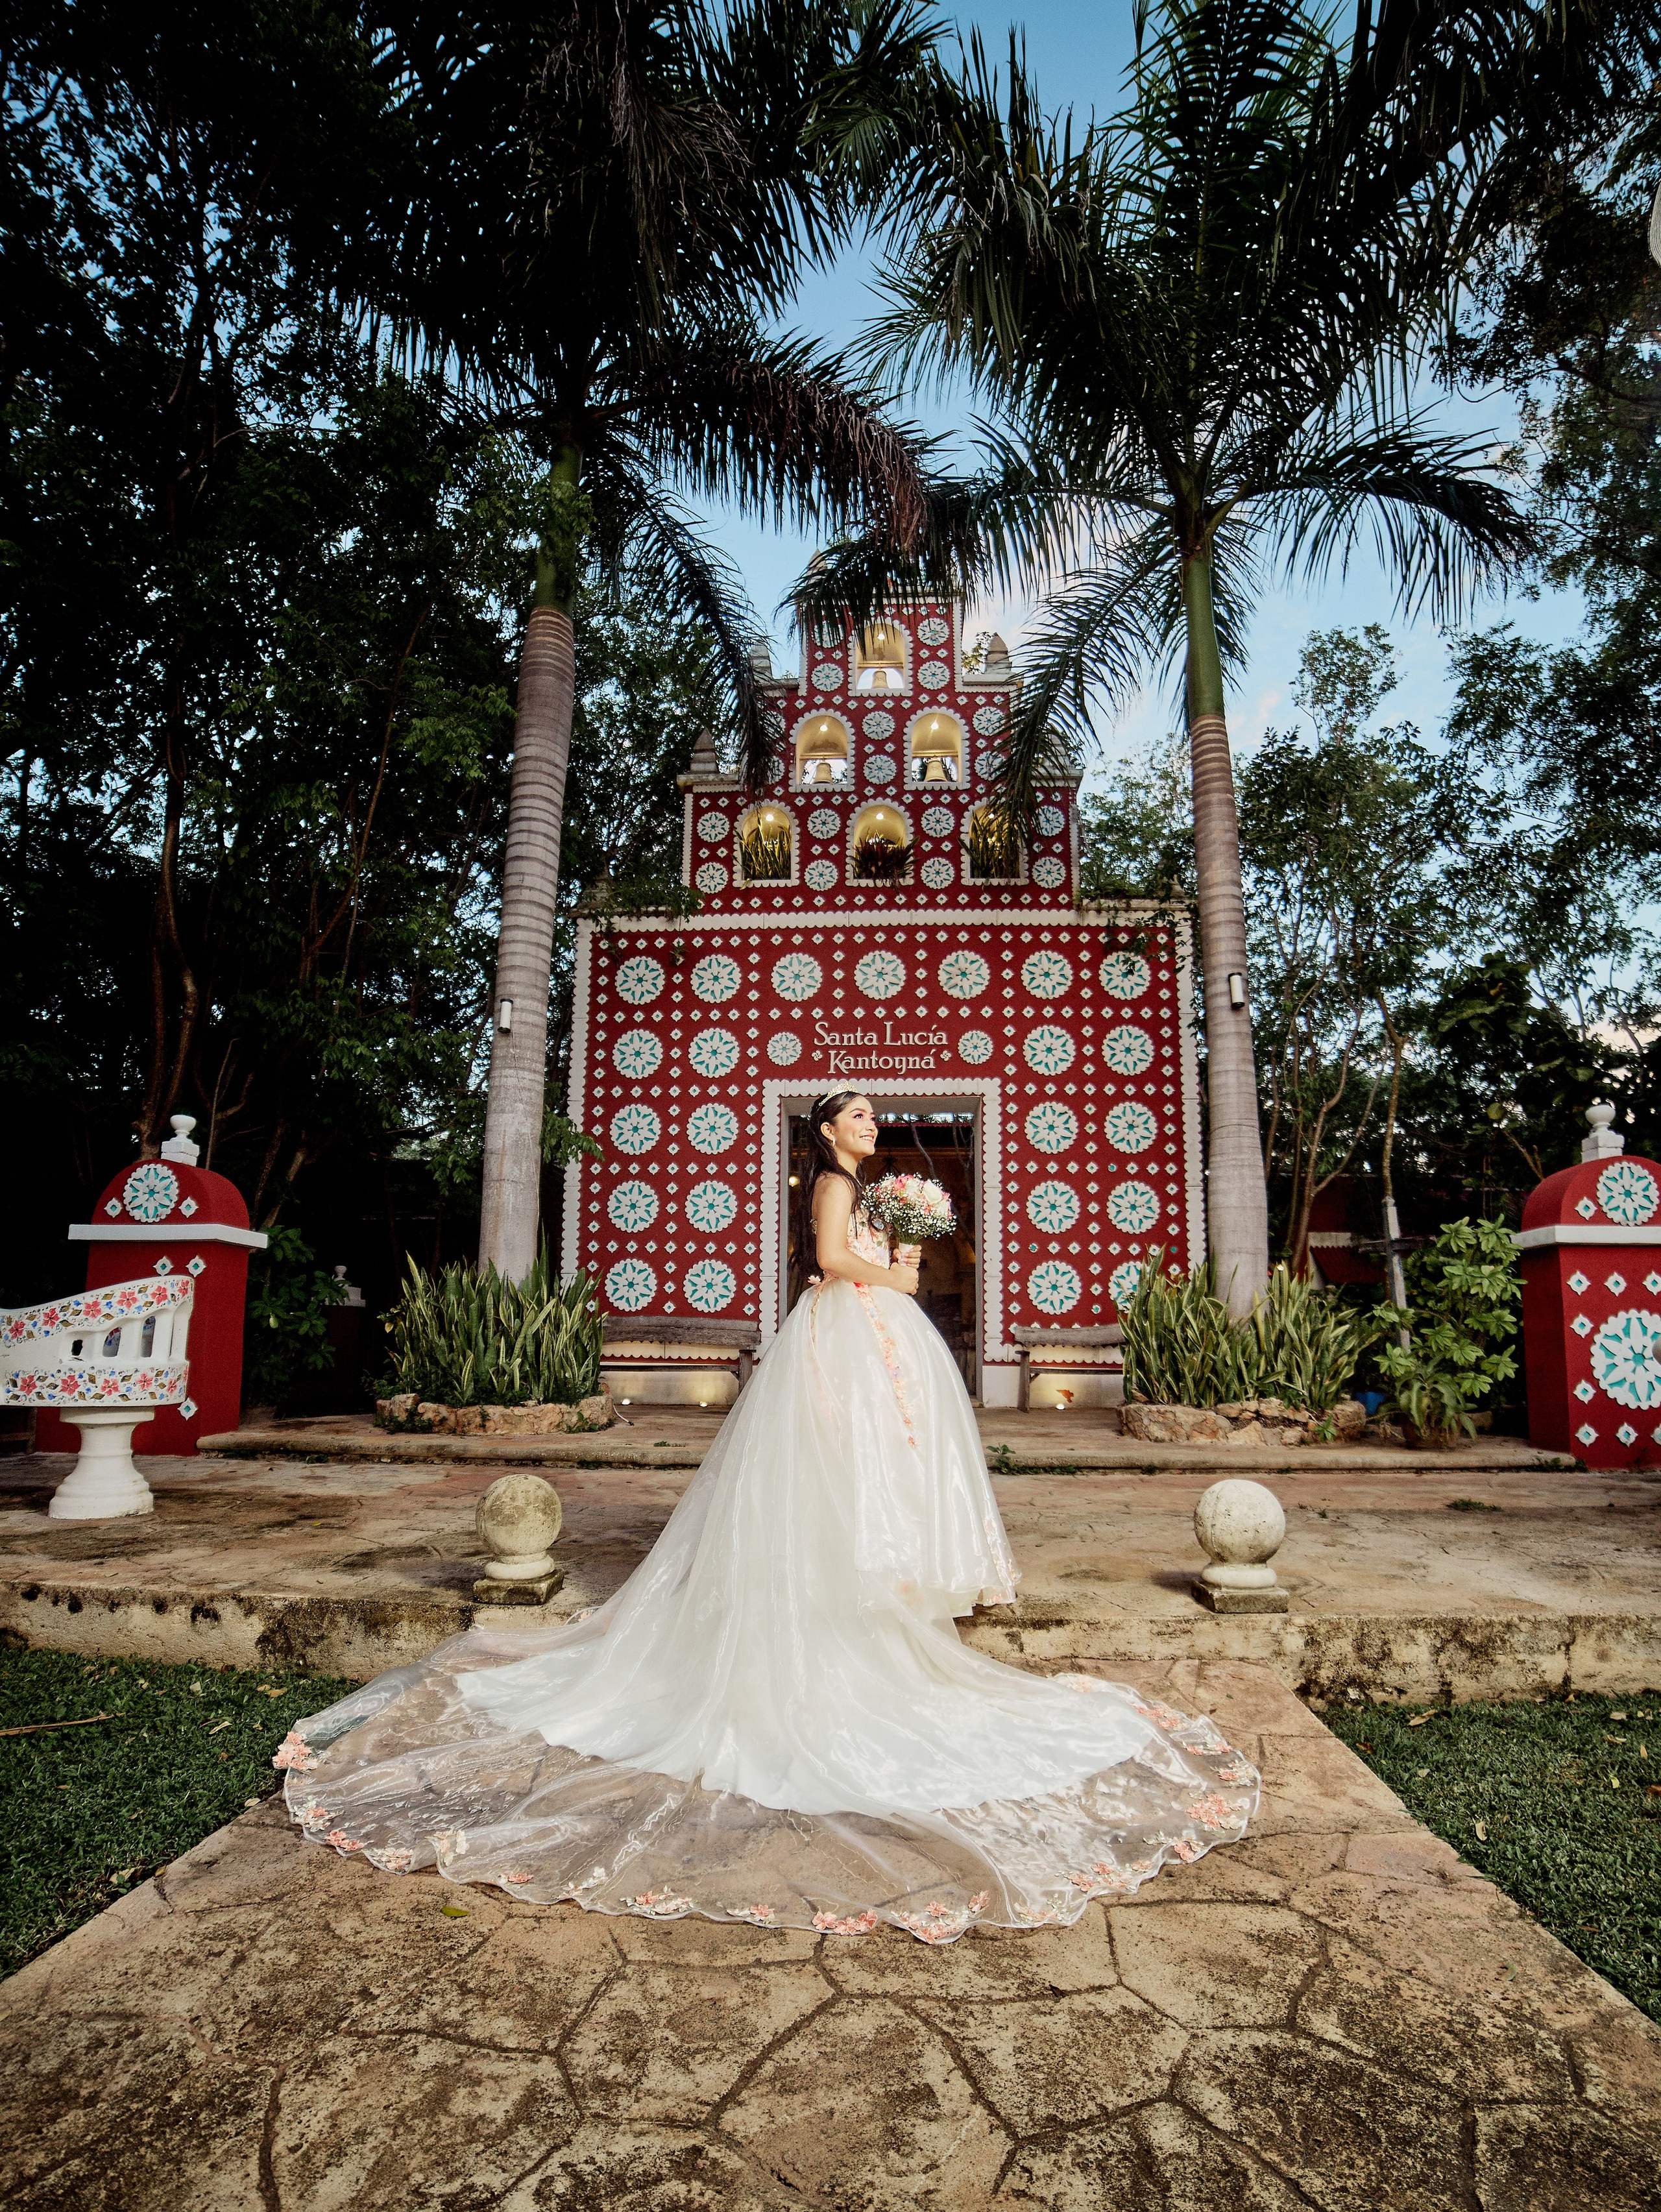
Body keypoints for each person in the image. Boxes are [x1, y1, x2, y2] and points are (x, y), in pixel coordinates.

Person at [276, 1091, 1257, 1943]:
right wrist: (902, 1275)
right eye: (860, 1113)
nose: (874, 1123)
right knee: (833, 1468)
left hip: (883, 1340)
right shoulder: (834, 1185)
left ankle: (875, 1587)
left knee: (875, 1472)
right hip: (845, 1335)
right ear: (829, 1129)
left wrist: (905, 1252)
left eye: (874, 1113)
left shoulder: (871, 1189)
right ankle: (829, 1599)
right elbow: (831, 1262)